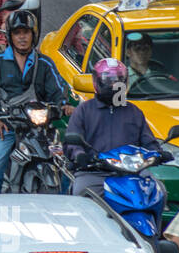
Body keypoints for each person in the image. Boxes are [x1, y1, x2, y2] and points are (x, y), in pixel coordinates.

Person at [0, 9, 75, 193]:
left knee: (66, 166)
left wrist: (63, 106)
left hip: (40, 128)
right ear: (10, 36)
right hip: (8, 125)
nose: (22, 37)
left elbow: (58, 90)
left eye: (26, 32)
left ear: (33, 34)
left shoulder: (45, 63)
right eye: (17, 33)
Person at [64, 58, 163, 196]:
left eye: (118, 80)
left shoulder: (134, 112)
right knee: (81, 192)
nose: (113, 85)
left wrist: (158, 152)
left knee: (159, 191)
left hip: (132, 173)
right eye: (108, 80)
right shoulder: (83, 110)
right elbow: (71, 143)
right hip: (95, 173)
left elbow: (148, 141)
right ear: (97, 81)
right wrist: (80, 155)